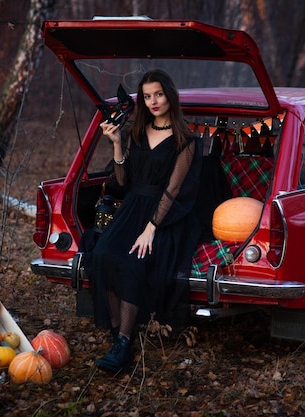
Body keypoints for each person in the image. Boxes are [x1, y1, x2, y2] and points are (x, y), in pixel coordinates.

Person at [88, 69, 202, 373]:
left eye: (159, 94)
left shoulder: (186, 140)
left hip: (166, 216)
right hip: (133, 207)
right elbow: (123, 181)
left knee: (133, 263)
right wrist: (115, 144)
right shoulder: (137, 132)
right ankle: (119, 340)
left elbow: (174, 189)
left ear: (170, 96)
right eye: (147, 96)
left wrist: (151, 229)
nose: (153, 101)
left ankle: (123, 345)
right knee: (102, 256)